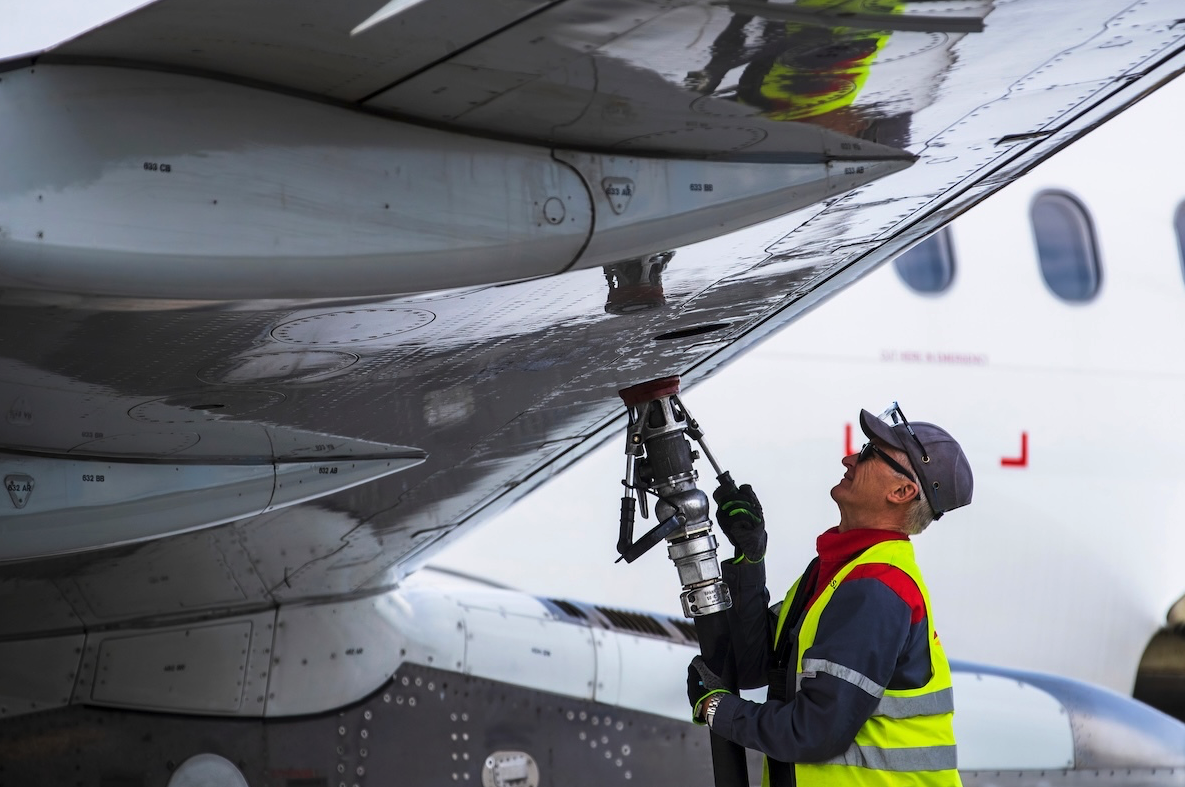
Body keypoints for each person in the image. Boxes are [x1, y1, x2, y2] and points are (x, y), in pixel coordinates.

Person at [687, 402, 973, 787]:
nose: (849, 458)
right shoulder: (838, 571)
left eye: (870, 454)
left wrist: (719, 709)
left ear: (902, 491)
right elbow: (758, 666)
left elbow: (813, 732)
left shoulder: (877, 587)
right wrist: (749, 559)